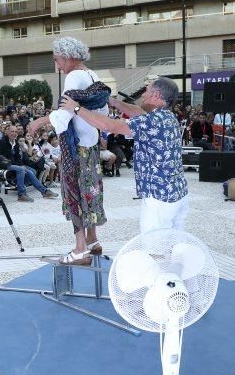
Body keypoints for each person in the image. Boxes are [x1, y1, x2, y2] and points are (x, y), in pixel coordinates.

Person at [68, 77, 189, 233]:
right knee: (173, 241)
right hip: (177, 193)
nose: (143, 95)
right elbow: (139, 112)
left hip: (160, 197)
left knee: (155, 247)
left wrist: (77, 109)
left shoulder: (152, 121)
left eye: (146, 91)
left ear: (156, 95)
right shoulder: (167, 116)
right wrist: (114, 102)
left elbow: (109, 125)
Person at [27, 37, 109, 265]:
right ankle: (93, 241)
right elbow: (102, 110)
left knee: (74, 194)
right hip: (91, 143)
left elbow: (65, 114)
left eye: (58, 60)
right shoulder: (93, 75)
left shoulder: (73, 77)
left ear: (68, 56)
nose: (57, 66)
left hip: (76, 147)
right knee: (90, 191)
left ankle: (80, 248)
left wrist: (39, 122)